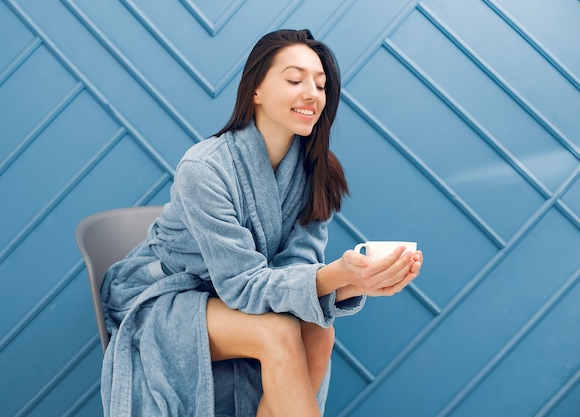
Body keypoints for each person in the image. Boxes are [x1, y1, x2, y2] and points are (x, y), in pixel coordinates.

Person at [100, 29, 423, 417]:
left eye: (320, 85)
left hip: (231, 295)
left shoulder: (314, 171)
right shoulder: (204, 169)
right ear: (255, 89)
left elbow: (297, 267)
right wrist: (334, 276)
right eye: (293, 79)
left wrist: (354, 281)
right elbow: (241, 283)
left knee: (319, 332)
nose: (312, 94)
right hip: (166, 299)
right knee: (278, 332)